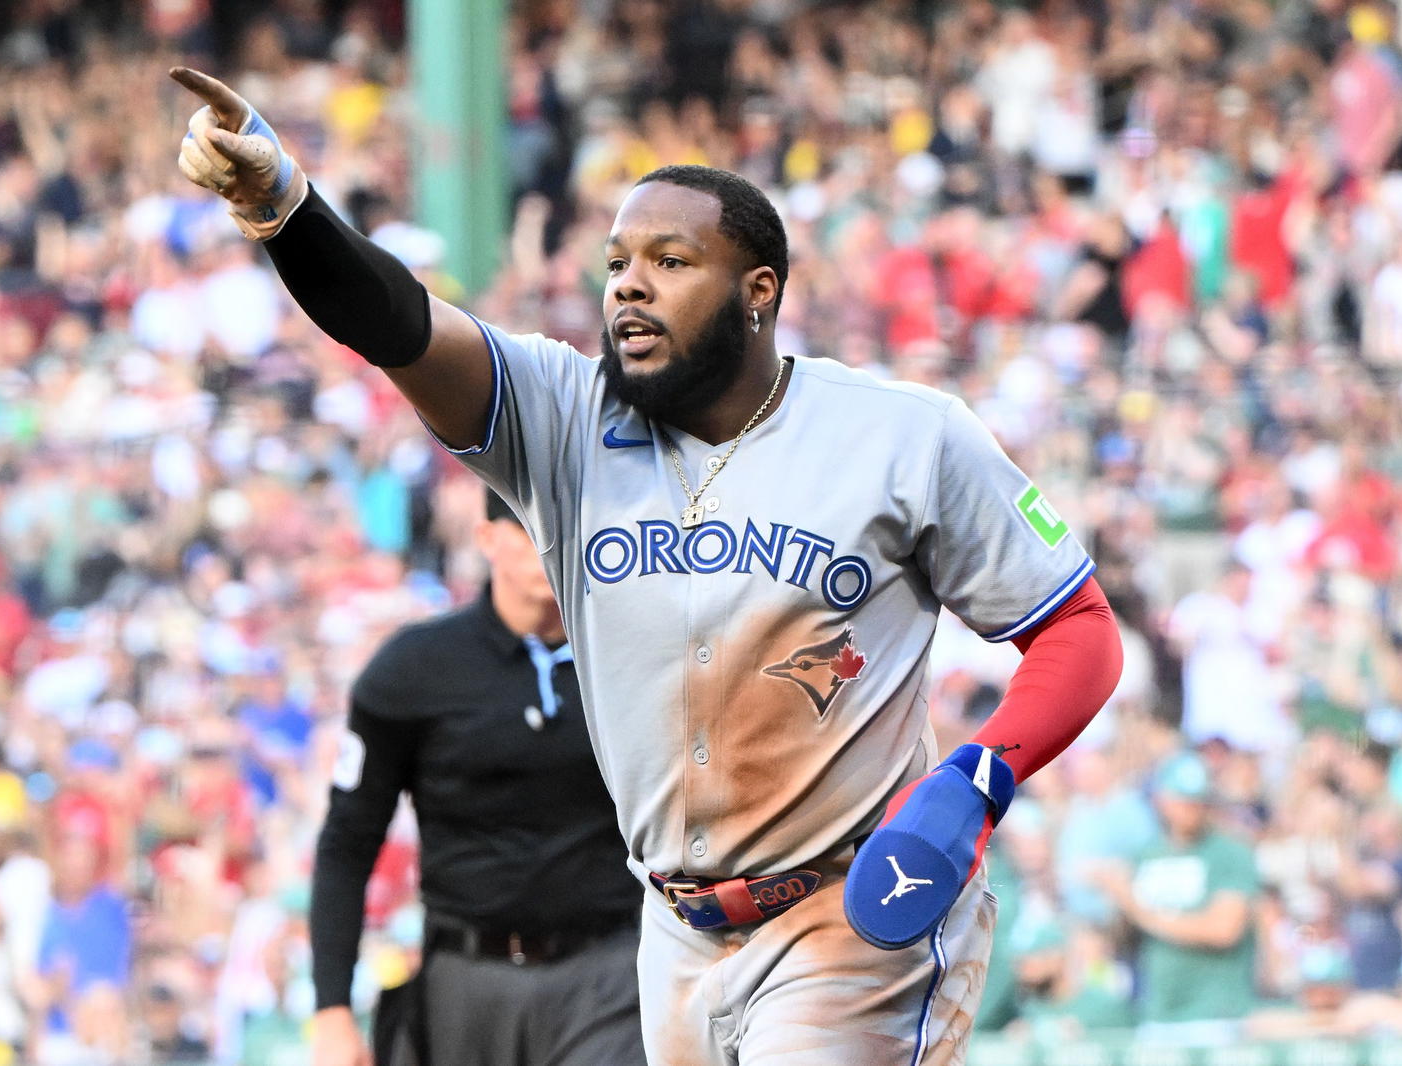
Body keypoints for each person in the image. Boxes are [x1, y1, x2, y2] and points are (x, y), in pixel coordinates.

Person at [173, 68, 1123, 1065]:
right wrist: (288, 209)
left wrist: (977, 776)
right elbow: (398, 324)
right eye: (618, 259)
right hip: (670, 930)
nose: (627, 281)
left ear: (758, 293)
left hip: (851, 913)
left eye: (670, 260)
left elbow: (1077, 627)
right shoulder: (563, 415)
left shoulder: (902, 434)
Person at [309, 489, 643, 1066]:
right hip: (465, 977)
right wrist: (332, 1008)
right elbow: (347, 842)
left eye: (563, 527)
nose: (549, 545)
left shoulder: (639, 658)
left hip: (610, 971)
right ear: (487, 540)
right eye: (528, 529)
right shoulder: (414, 671)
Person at [1096, 752, 1260, 1037]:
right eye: (1183, 800)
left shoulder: (1230, 853)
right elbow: (1122, 939)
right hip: (1157, 1013)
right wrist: (1116, 901)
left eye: (1199, 801)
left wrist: (1139, 910)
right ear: (1162, 800)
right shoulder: (1146, 854)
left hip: (1215, 1015)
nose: (1191, 809)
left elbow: (1224, 930)